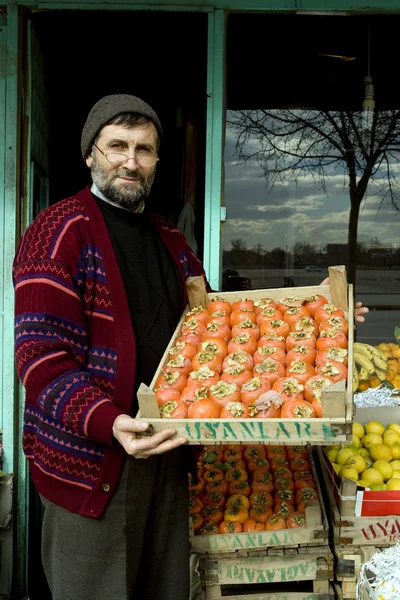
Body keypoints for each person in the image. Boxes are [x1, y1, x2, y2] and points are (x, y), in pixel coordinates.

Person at [13, 94, 209, 600]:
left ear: (157, 161)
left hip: (166, 452)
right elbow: (40, 357)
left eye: (144, 149)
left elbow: (211, 329)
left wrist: (324, 319)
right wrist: (109, 421)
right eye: (116, 145)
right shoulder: (58, 231)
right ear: (90, 154)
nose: (130, 160)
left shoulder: (172, 239)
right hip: (94, 465)